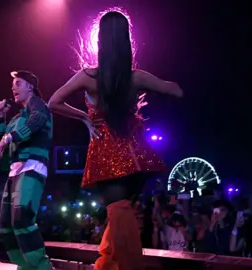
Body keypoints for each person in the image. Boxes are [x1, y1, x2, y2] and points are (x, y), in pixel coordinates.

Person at [48, 11, 183, 270]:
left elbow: (54, 102)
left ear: (100, 41)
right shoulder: (136, 77)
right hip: (138, 160)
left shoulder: (88, 77)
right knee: (119, 221)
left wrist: (85, 118)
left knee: (120, 220)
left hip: (108, 160)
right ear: (126, 41)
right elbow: (176, 90)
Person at [0, 70, 53, 270]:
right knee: (6, 224)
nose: (13, 88)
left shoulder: (38, 105)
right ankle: (25, 267)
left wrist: (7, 139)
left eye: (18, 83)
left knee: (22, 219)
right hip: (15, 171)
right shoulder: (16, 118)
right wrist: (0, 117)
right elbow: (5, 139)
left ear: (30, 87)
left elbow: (36, 122)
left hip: (32, 165)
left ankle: (42, 268)